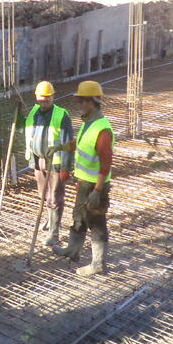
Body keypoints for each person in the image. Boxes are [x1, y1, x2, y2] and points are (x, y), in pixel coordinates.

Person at [53, 80, 114, 277]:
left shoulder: (102, 129)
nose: (78, 104)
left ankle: (98, 263)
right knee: (79, 217)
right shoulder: (88, 122)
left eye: (81, 101)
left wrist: (97, 191)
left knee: (96, 222)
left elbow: (106, 164)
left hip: (96, 186)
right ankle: (73, 250)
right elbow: (80, 145)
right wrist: (61, 147)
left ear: (91, 102)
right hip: (83, 182)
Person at [21, 81, 74, 246]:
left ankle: (54, 233)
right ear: (36, 96)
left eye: (47, 97)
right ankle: (49, 220)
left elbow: (68, 143)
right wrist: (18, 118)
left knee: (55, 198)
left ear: (53, 96)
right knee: (43, 195)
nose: (44, 100)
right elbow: (26, 131)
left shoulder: (61, 115)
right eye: (41, 96)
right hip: (39, 161)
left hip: (55, 163)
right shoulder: (34, 112)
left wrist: (66, 168)